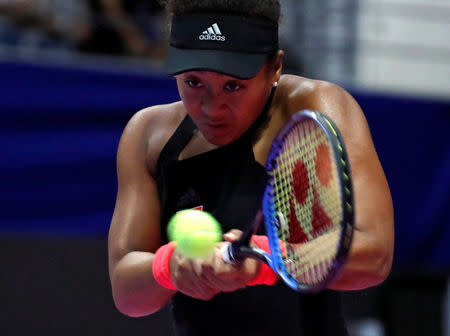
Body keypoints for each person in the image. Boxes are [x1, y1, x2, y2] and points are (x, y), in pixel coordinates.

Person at [108, 0, 394, 335]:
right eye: (193, 82)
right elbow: (127, 293)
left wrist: (261, 258)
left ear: (275, 68)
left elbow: (374, 255)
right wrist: (170, 265)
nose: (212, 107)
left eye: (233, 85)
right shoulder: (148, 135)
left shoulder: (317, 106)